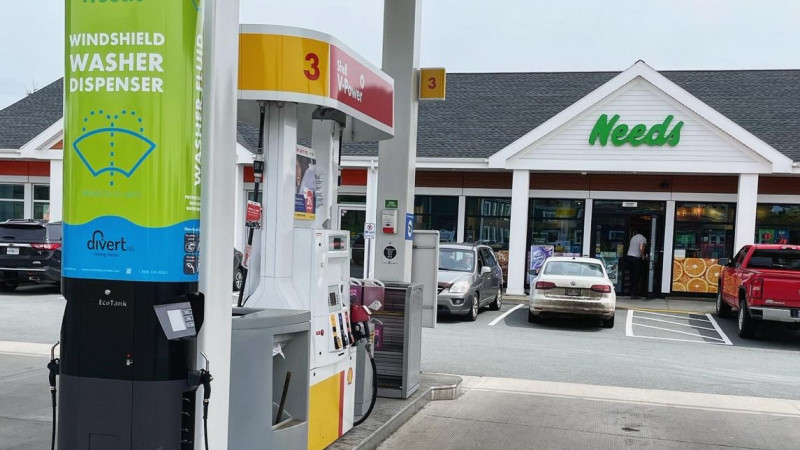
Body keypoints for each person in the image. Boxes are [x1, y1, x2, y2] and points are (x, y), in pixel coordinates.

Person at [626, 230, 647, 298]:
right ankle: (634, 294)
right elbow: (641, 248)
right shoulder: (643, 238)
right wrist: (643, 256)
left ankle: (631, 291)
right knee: (636, 277)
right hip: (636, 259)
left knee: (631, 275)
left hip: (629, 257)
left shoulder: (633, 237)